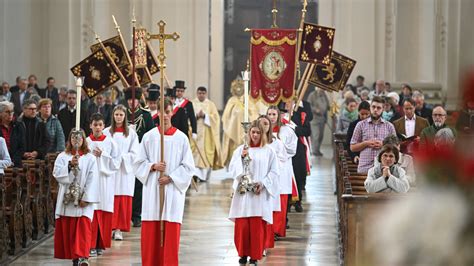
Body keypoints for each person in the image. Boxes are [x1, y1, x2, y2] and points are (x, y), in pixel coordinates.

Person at [133, 98, 194, 266]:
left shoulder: (181, 138)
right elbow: (137, 164)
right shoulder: (149, 137)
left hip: (172, 191)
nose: (165, 116)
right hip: (153, 189)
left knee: (170, 231)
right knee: (151, 233)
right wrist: (152, 166)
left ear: (172, 112)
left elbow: (189, 167)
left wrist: (172, 177)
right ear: (157, 113)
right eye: (162, 112)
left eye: (168, 112)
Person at [228, 120, 278, 266]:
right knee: (242, 226)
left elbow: (274, 172)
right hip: (243, 195)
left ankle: (255, 256)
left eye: (258, 132)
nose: (255, 135)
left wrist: (263, 184)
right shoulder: (241, 150)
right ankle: (242, 254)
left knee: (256, 227)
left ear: (262, 134)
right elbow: (232, 168)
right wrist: (242, 158)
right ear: (249, 133)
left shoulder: (269, 151)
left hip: (259, 194)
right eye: (253, 132)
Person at [53, 129, 99, 266]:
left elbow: (93, 178)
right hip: (67, 200)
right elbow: (56, 174)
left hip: (83, 201)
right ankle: (75, 257)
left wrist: (87, 197)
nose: (76, 140)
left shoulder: (90, 158)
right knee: (71, 230)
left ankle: (83, 256)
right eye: (73, 138)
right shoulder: (63, 156)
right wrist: (69, 165)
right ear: (69, 140)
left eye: (79, 138)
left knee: (83, 227)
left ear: (84, 140)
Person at [104, 105, 139, 241]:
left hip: (125, 171)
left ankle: (119, 229)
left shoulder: (131, 133)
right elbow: (104, 150)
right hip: (111, 170)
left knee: (122, 200)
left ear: (125, 117)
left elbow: (135, 153)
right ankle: (110, 227)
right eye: (116, 114)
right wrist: (112, 160)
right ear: (113, 116)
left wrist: (121, 158)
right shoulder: (107, 132)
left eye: (121, 115)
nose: (118, 117)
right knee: (110, 198)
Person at [86, 113, 119, 257]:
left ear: (104, 126)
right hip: (91, 182)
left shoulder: (111, 142)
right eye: (95, 125)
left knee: (104, 211)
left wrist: (103, 155)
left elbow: (117, 162)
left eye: (100, 125)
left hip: (105, 182)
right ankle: (91, 244)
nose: (98, 128)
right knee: (91, 213)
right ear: (90, 126)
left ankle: (100, 244)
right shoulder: (86, 141)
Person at [124, 87, 154, 228]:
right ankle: (125, 215)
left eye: (134, 99)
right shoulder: (122, 113)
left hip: (140, 155)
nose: (132, 102)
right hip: (125, 156)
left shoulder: (145, 115)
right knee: (124, 186)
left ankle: (136, 215)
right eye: (130, 99)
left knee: (137, 186)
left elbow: (151, 136)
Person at [267, 106, 297, 236]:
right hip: (268, 168)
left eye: (274, 114)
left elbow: (292, 149)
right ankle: (269, 229)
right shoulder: (263, 130)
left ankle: (278, 230)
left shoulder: (287, 130)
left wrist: (279, 150)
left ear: (279, 115)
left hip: (282, 166)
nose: (272, 117)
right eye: (269, 114)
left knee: (281, 198)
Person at [257, 115, 285, 251]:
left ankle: (265, 244)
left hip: (270, 183)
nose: (264, 126)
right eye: (261, 123)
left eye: (266, 124)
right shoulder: (252, 143)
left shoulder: (276, 143)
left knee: (267, 214)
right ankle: (257, 245)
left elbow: (281, 161)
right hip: (256, 183)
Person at [350, 96, 396, 173]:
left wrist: (383, 144)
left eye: (378, 108)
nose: (375, 110)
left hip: (383, 169)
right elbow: (352, 147)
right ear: (370, 107)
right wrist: (366, 143)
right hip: (365, 168)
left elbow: (396, 147)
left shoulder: (389, 126)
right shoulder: (360, 125)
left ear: (383, 109)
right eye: (373, 107)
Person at [191, 86, 223, 181]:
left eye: (203, 93)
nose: (201, 95)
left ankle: (204, 177)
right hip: (194, 134)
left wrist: (205, 116)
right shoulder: (192, 104)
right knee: (195, 154)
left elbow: (216, 119)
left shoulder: (210, 104)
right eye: (199, 93)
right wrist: (196, 116)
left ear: (206, 94)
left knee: (205, 154)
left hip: (207, 135)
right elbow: (187, 118)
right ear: (197, 93)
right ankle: (195, 175)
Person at [288, 98, 312, 212]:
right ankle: (286, 204)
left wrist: (295, 129)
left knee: (298, 174)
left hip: (298, 148)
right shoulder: (280, 115)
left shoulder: (300, 114)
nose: (288, 103)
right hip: (284, 151)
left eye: (290, 101)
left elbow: (307, 131)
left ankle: (298, 201)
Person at [221, 79, 247, 166]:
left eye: (240, 88)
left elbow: (253, 112)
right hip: (233, 128)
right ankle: (233, 164)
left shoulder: (247, 99)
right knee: (234, 147)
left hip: (244, 128)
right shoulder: (231, 100)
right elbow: (225, 116)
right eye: (237, 88)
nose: (239, 89)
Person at [0, 102, 25, 166]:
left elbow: (22, 146)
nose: (10, 114)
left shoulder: (18, 126)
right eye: (7, 112)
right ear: (0, 113)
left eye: (12, 111)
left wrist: (13, 161)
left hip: (15, 163)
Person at [307, 87, 329, 156]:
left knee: (321, 136)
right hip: (314, 118)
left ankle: (317, 150)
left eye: (323, 89)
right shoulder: (312, 95)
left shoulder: (324, 95)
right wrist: (315, 110)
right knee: (316, 135)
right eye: (320, 88)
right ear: (317, 88)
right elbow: (308, 105)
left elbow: (327, 105)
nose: (322, 90)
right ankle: (314, 151)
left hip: (322, 118)